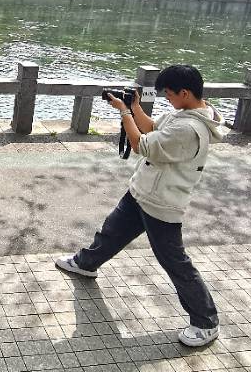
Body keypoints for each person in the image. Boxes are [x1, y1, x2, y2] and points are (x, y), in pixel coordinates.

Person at [55, 65, 225, 348]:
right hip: (143, 191)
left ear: (185, 93)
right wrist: (134, 108)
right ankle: (85, 263)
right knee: (112, 231)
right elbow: (151, 128)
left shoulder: (189, 129)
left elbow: (139, 144)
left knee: (175, 262)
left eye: (169, 93)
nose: (166, 97)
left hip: (162, 202)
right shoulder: (184, 114)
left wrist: (124, 113)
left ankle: (206, 322)